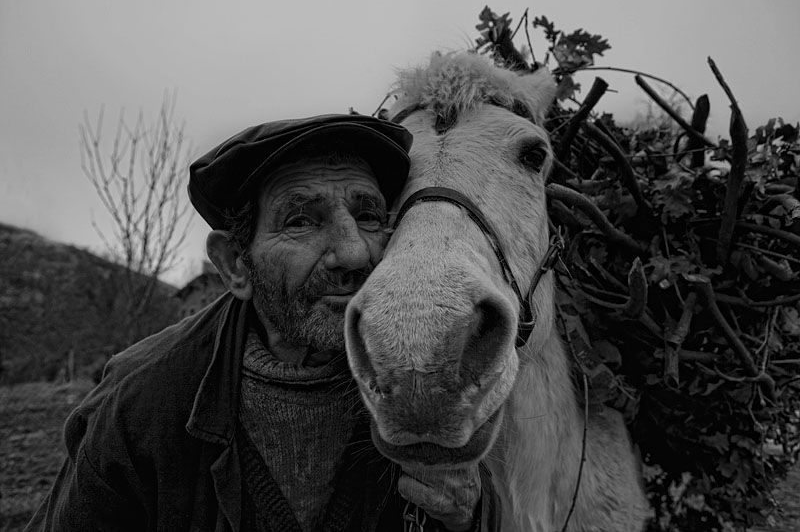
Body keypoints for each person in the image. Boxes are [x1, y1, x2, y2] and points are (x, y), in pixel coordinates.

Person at [26, 114, 495, 531]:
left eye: (368, 215)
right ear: (235, 265)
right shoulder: (138, 406)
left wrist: (472, 515)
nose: (354, 252)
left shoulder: (432, 369)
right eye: (301, 221)